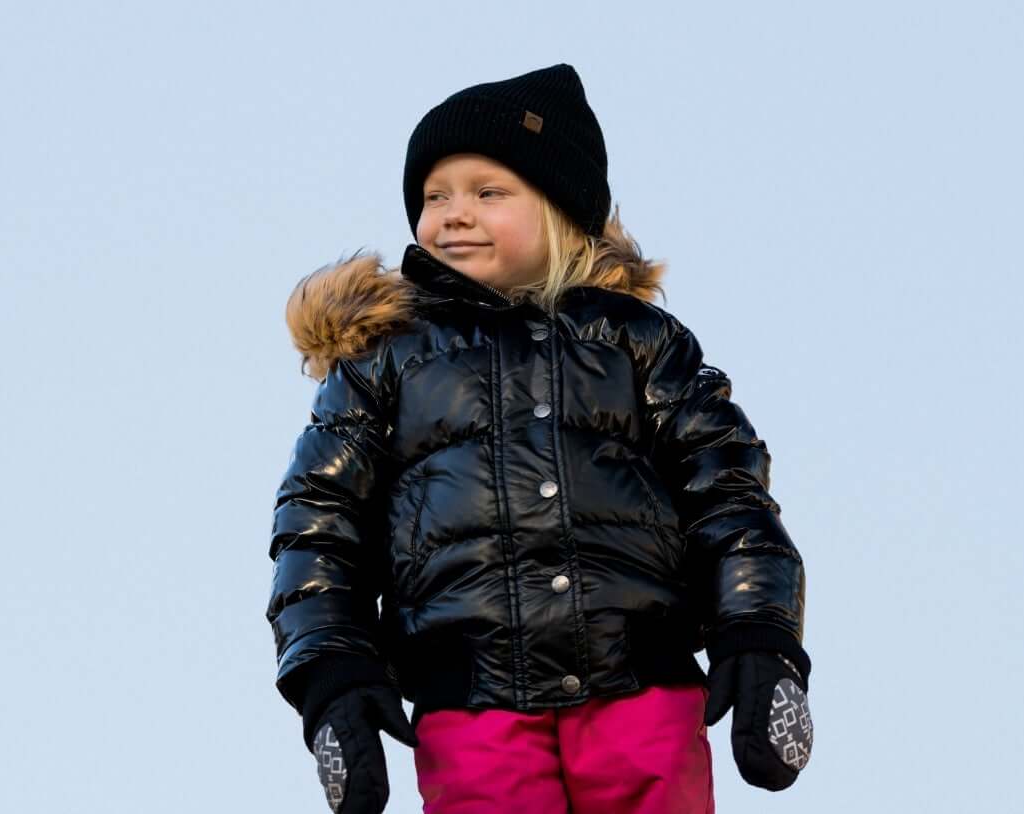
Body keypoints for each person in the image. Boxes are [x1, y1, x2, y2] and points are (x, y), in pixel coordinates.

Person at [265, 64, 813, 814]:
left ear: (561, 209)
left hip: (639, 683)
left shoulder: (638, 343)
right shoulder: (386, 362)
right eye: (434, 196)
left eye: (488, 193)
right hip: (473, 697)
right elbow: (320, 523)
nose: (453, 215)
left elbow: (728, 491)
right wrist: (332, 673)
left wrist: (759, 632)